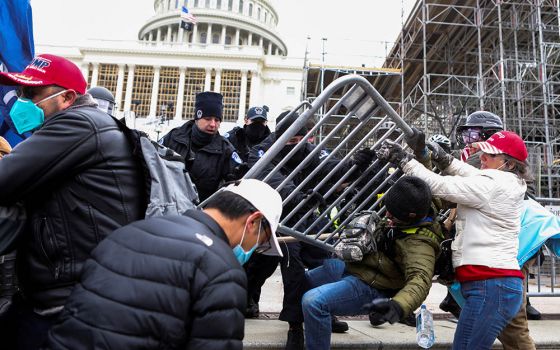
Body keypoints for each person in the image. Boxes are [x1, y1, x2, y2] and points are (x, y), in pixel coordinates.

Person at [0, 54, 145, 349]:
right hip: (77, 289)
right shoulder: (92, 125)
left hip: (69, 296)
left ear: (66, 97)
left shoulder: (77, 124)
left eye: (32, 94)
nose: (21, 101)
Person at [47, 179, 284, 349]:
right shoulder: (222, 270)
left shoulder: (131, 231)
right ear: (253, 221)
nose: (253, 250)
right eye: (260, 243)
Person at [378, 130, 531, 350]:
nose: (483, 158)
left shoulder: (493, 185)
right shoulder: (505, 181)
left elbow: (441, 186)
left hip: (491, 285)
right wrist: (445, 159)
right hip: (493, 285)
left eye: (490, 155)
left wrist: (405, 161)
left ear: (508, 164)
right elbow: (469, 172)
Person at [245, 111, 375, 350]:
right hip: (277, 218)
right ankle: (295, 325)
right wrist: (297, 196)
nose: (295, 144)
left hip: (305, 214)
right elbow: (271, 177)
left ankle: (322, 309)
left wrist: (355, 163)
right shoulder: (264, 149)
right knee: (291, 266)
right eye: (291, 139)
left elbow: (329, 166)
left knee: (329, 259)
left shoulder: (308, 149)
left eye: (300, 139)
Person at [301, 176, 443, 350]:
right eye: (387, 208)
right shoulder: (417, 201)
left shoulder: (420, 246)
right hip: (359, 267)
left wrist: (398, 306)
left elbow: (420, 279)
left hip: (372, 285)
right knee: (303, 280)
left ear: (411, 216)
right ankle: (317, 321)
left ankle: (321, 319)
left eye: (393, 213)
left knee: (314, 302)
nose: (387, 214)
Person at [161, 91, 239, 201]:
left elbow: (235, 183)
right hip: (169, 204)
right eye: (208, 119)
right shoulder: (173, 137)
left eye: (217, 120)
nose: (213, 124)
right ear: (197, 118)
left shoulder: (225, 149)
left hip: (201, 210)